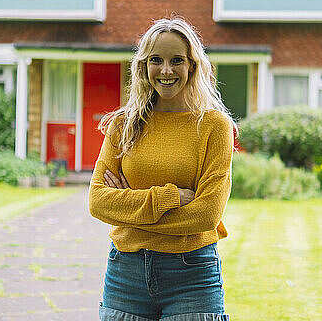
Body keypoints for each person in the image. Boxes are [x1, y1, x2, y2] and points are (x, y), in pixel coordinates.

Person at [89, 16, 235, 321]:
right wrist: (168, 199)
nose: (166, 70)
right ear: (143, 66)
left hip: (192, 275)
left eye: (176, 60)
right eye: (156, 60)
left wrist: (130, 212)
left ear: (192, 66)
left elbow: (207, 214)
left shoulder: (213, 126)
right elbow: (98, 202)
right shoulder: (123, 125)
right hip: (125, 274)